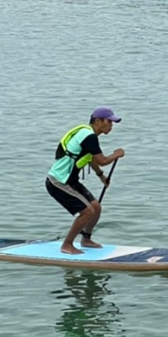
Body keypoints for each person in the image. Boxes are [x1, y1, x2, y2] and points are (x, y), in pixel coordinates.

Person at [45, 107, 126, 255]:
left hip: (70, 181)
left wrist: (101, 176)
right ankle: (67, 245)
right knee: (87, 212)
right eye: (109, 122)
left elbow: (91, 159)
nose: (111, 125)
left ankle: (86, 239)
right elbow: (102, 160)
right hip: (58, 182)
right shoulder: (89, 136)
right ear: (98, 121)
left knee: (96, 207)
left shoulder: (87, 134)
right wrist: (116, 154)